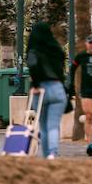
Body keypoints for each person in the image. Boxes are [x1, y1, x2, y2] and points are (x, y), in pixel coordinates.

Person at [27, 22, 68, 160]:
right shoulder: (56, 49)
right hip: (57, 89)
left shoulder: (34, 50)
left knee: (43, 127)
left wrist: (36, 84)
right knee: (53, 125)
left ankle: (46, 156)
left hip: (41, 90)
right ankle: (52, 153)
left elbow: (33, 67)